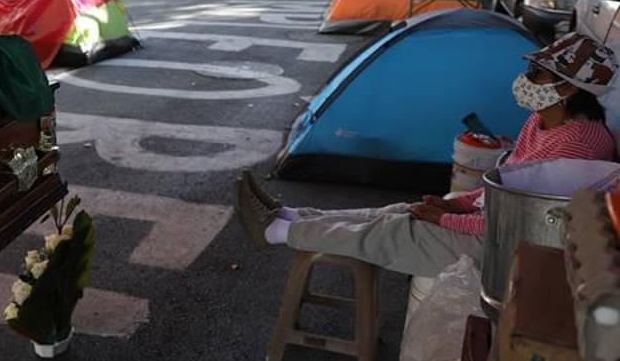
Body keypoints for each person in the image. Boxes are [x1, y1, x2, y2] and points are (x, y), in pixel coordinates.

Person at [234, 33, 619, 279]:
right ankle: (291, 216)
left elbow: (520, 226)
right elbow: (502, 187)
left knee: (394, 230)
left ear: (569, 89)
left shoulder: (578, 147)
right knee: (399, 211)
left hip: (510, 252)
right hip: (494, 226)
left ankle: (277, 233)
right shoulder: (540, 121)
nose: (526, 79)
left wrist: (451, 218)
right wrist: (458, 206)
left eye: (538, 73)